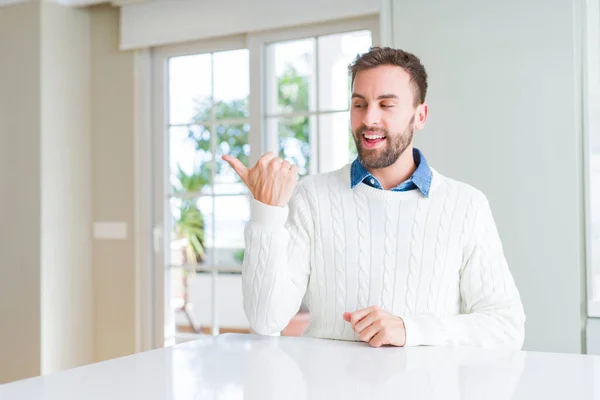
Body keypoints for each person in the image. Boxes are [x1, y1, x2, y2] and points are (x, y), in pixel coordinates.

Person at [223, 46, 526, 349]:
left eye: (386, 104)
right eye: (360, 104)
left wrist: (410, 330)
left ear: (419, 116)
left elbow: (506, 326)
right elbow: (266, 320)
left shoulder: (466, 206)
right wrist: (267, 213)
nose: (369, 118)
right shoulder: (312, 197)